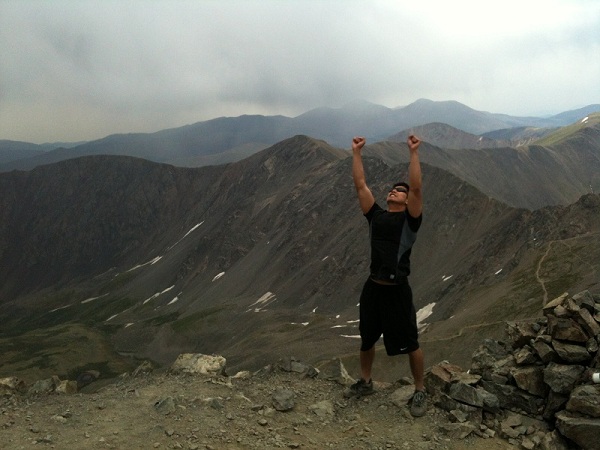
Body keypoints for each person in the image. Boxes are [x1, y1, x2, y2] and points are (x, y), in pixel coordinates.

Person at [344, 134, 427, 418]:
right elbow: (360, 185)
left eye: (399, 191)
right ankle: (365, 382)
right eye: (392, 189)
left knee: (410, 342)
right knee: (367, 338)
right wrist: (356, 153)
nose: (395, 191)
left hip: (397, 290)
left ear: (406, 201)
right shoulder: (375, 215)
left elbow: (416, 187)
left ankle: (420, 390)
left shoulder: (410, 221)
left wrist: (413, 153)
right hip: (373, 288)